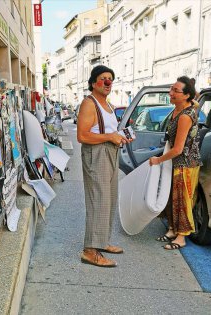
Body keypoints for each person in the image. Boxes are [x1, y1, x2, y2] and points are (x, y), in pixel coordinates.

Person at [77, 65, 132, 267]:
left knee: (108, 199)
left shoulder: (107, 105)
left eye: (110, 78)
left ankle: (102, 242)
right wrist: (110, 136)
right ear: (93, 83)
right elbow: (82, 135)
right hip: (97, 153)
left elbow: (107, 131)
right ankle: (90, 251)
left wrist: (120, 136)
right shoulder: (89, 104)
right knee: (98, 201)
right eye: (103, 78)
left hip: (109, 152)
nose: (108, 82)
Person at [150, 76, 202, 250]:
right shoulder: (179, 110)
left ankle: (181, 237)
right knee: (171, 196)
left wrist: (158, 160)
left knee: (182, 199)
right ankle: (172, 229)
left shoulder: (185, 116)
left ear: (186, 96)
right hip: (176, 162)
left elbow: (178, 148)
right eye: (171, 88)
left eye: (175, 90)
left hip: (185, 163)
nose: (170, 93)